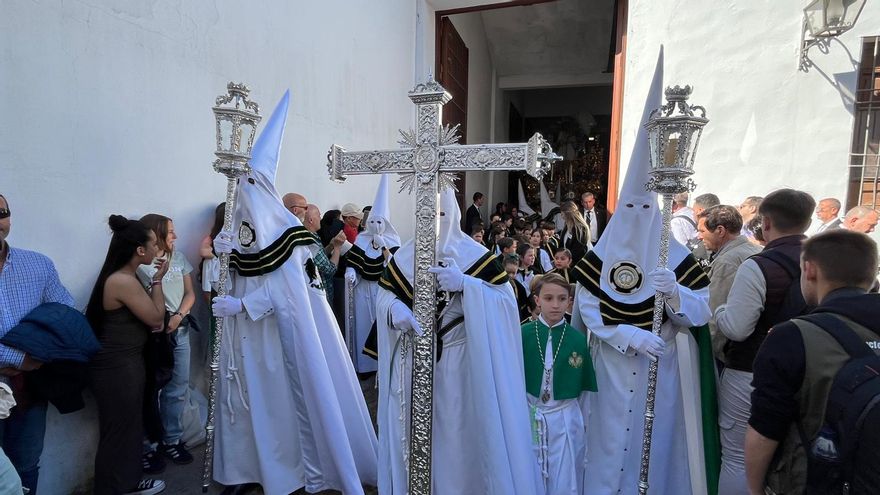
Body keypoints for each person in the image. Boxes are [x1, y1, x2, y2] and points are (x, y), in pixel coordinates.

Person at [209, 92, 377, 494]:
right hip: (242, 337)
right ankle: (238, 471)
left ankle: (287, 473)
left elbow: (291, 291)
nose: (243, 189)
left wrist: (242, 303)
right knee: (243, 403)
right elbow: (221, 279)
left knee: (277, 408)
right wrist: (221, 257)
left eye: (249, 181)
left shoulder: (292, 236)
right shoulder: (235, 230)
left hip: (276, 336)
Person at [571, 60, 713, 494]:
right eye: (629, 208)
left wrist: (675, 297)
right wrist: (625, 337)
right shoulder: (600, 254)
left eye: (645, 209)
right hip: (612, 364)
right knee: (609, 437)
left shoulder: (678, 255)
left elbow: (703, 310)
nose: (636, 217)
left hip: (662, 362)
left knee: (655, 445)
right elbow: (588, 305)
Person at [375, 188, 540, 495]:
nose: (435, 223)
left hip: (461, 362)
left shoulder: (477, 257)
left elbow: (505, 303)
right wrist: (393, 309)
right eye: (428, 215)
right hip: (414, 361)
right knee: (415, 434)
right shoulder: (404, 257)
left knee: (456, 435)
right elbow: (385, 294)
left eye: (441, 214)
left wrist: (466, 284)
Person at [746, 230, 880, 494]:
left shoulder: (793, 335)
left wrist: (754, 488)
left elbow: (764, 431)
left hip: (816, 481)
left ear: (809, 270)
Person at [714, 188, 815, 495]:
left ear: (766, 222)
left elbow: (738, 328)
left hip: (752, 372)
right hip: (812, 373)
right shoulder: (829, 261)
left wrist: (719, 310)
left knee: (736, 457)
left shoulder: (759, 265)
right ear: (808, 222)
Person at [85, 215, 168, 495]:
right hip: (117, 369)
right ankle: (112, 488)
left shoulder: (126, 276)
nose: (159, 250)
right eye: (154, 245)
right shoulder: (122, 280)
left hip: (125, 365)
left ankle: (127, 484)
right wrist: (157, 281)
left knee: (128, 427)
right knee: (119, 432)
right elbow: (156, 318)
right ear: (140, 251)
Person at [0, 193, 75, 495]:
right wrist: (21, 357)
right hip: (26, 368)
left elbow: (65, 314)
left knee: (26, 464)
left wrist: (39, 356)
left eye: (2, 212)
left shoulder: (37, 265)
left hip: (28, 387)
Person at [521, 273, 597, 495]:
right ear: (537, 300)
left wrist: (582, 426)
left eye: (562, 299)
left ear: (569, 301)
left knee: (564, 478)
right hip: (531, 414)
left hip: (564, 417)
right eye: (548, 298)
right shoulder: (522, 333)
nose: (555, 305)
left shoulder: (577, 339)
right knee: (530, 474)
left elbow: (584, 391)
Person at [137, 214, 196, 471]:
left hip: (180, 331)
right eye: (170, 232)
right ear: (156, 234)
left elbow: (190, 293)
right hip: (154, 336)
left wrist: (179, 315)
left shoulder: (178, 258)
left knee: (178, 387)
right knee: (151, 390)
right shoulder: (141, 264)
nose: (175, 236)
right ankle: (149, 445)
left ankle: (172, 439)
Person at [345, 175, 400, 374]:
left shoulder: (393, 240)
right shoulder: (361, 240)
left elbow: (394, 265)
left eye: (380, 221)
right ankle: (364, 365)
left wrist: (384, 246)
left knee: (380, 325)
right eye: (373, 221)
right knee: (362, 325)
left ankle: (382, 365)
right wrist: (351, 272)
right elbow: (353, 261)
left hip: (381, 289)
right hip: (362, 290)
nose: (376, 225)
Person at [697, 205, 761, 364]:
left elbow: (714, 313)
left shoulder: (728, 261)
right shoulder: (755, 249)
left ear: (720, 230)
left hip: (731, 354)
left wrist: (706, 357)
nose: (699, 236)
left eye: (702, 231)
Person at [304, 204, 346, 306]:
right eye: (318, 215)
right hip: (321, 296)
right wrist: (337, 248)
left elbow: (318, 258)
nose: (320, 219)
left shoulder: (312, 235)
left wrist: (331, 246)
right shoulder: (310, 241)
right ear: (311, 220)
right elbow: (330, 269)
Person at [558, 200, 591, 265]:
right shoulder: (566, 227)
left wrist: (567, 260)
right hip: (564, 263)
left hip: (576, 264)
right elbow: (562, 245)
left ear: (568, 213)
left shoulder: (581, 229)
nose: (561, 215)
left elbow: (579, 250)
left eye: (562, 212)